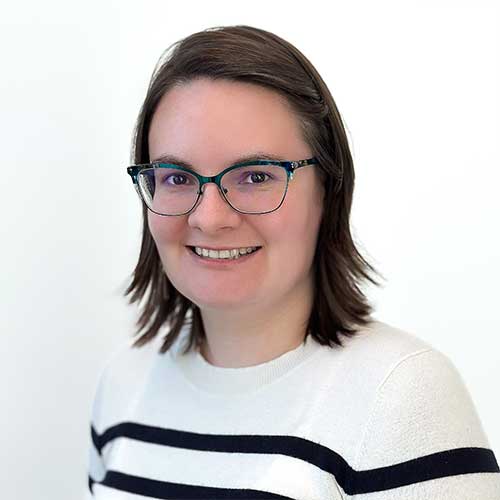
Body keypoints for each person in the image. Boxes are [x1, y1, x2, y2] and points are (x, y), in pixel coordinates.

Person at [86, 25, 500, 499]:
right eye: (177, 177)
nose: (209, 217)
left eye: (255, 175)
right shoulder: (124, 384)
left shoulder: (402, 394)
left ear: (328, 190)